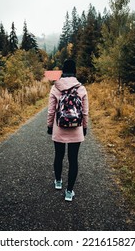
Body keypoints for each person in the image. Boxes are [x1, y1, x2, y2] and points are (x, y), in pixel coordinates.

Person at [47, 59, 89, 201]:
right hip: (76, 129)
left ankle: (58, 182)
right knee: (73, 160)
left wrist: (49, 126)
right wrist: (84, 127)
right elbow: (85, 112)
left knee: (58, 156)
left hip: (59, 128)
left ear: (62, 71)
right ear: (75, 71)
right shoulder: (81, 88)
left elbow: (51, 111)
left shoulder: (55, 87)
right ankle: (69, 192)